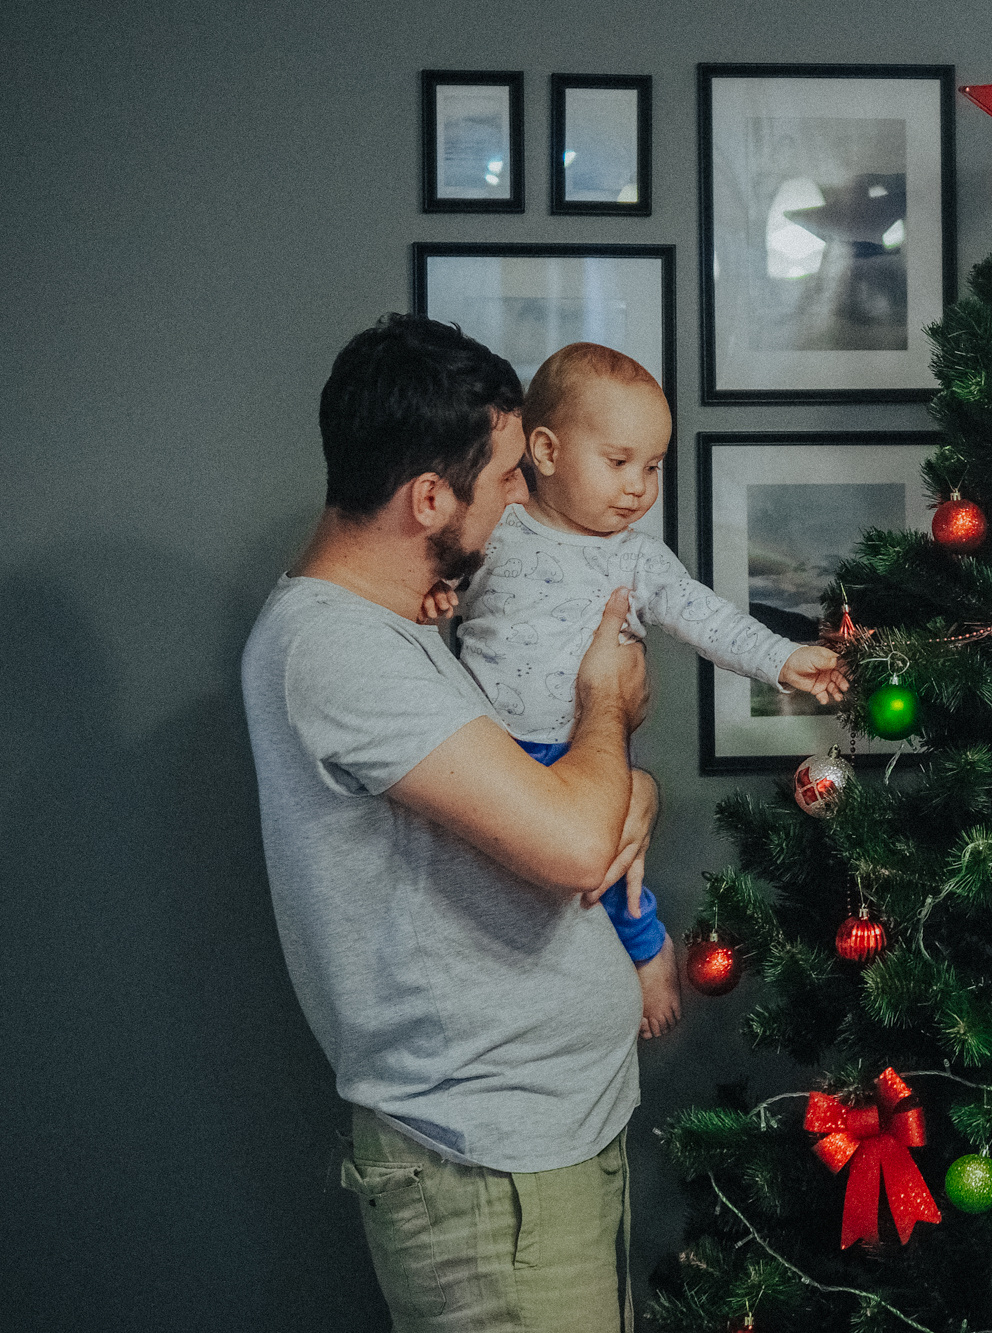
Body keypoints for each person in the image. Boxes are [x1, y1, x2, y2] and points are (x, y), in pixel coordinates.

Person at [242, 314, 658, 1331]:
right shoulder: (337, 652)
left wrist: (631, 796)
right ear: (430, 497)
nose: (523, 499)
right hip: (487, 1168)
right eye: (509, 476)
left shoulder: (408, 621)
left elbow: (551, 797)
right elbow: (567, 843)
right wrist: (606, 700)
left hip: (537, 1142)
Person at [438, 342, 849, 1039]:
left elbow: (708, 618)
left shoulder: (638, 558)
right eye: (619, 461)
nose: (638, 486)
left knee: (618, 882)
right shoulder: (495, 530)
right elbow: (440, 588)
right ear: (545, 450)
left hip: (585, 759)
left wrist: (784, 659)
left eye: (652, 467)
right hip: (488, 754)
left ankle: (649, 951)